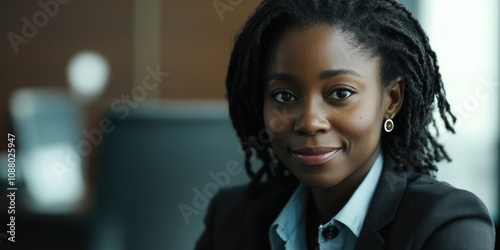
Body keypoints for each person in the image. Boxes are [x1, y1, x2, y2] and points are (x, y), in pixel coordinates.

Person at [196, 0, 495, 249]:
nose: (310, 122)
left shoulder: (446, 224)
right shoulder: (231, 217)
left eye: (341, 93)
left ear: (391, 99)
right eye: (284, 95)